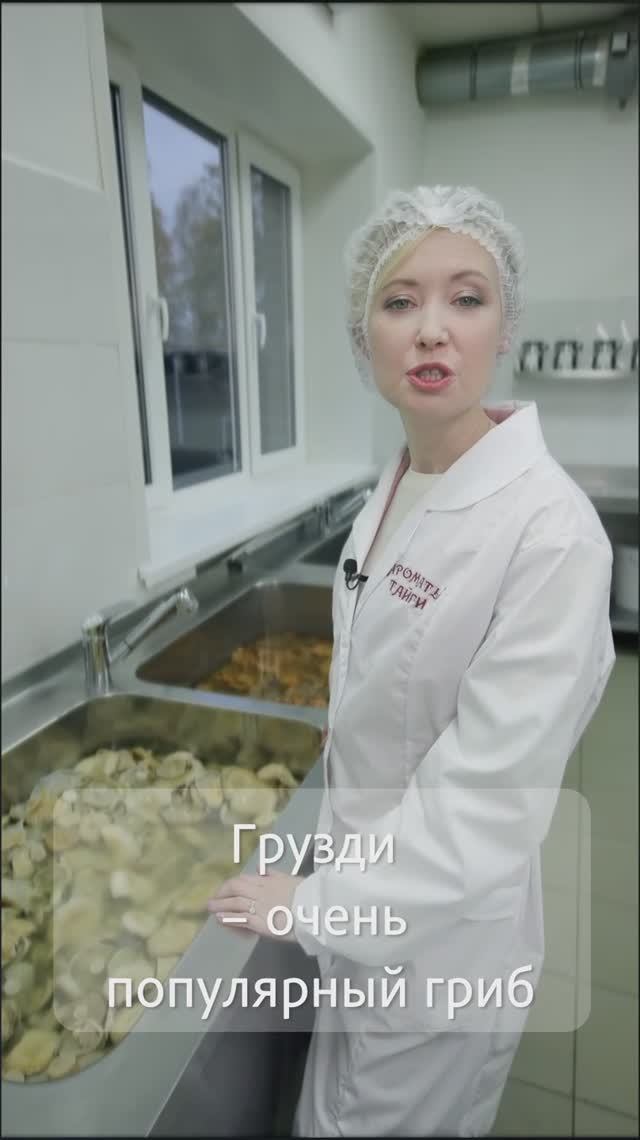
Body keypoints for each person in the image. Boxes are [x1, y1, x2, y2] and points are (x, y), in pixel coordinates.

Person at [208, 185, 616, 1136]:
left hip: (438, 948)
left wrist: (314, 905)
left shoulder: (551, 534)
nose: (432, 328)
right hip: (370, 895)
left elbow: (486, 806)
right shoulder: (393, 488)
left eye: (466, 298)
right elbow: (387, 682)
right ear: (366, 336)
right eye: (400, 301)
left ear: (504, 325)